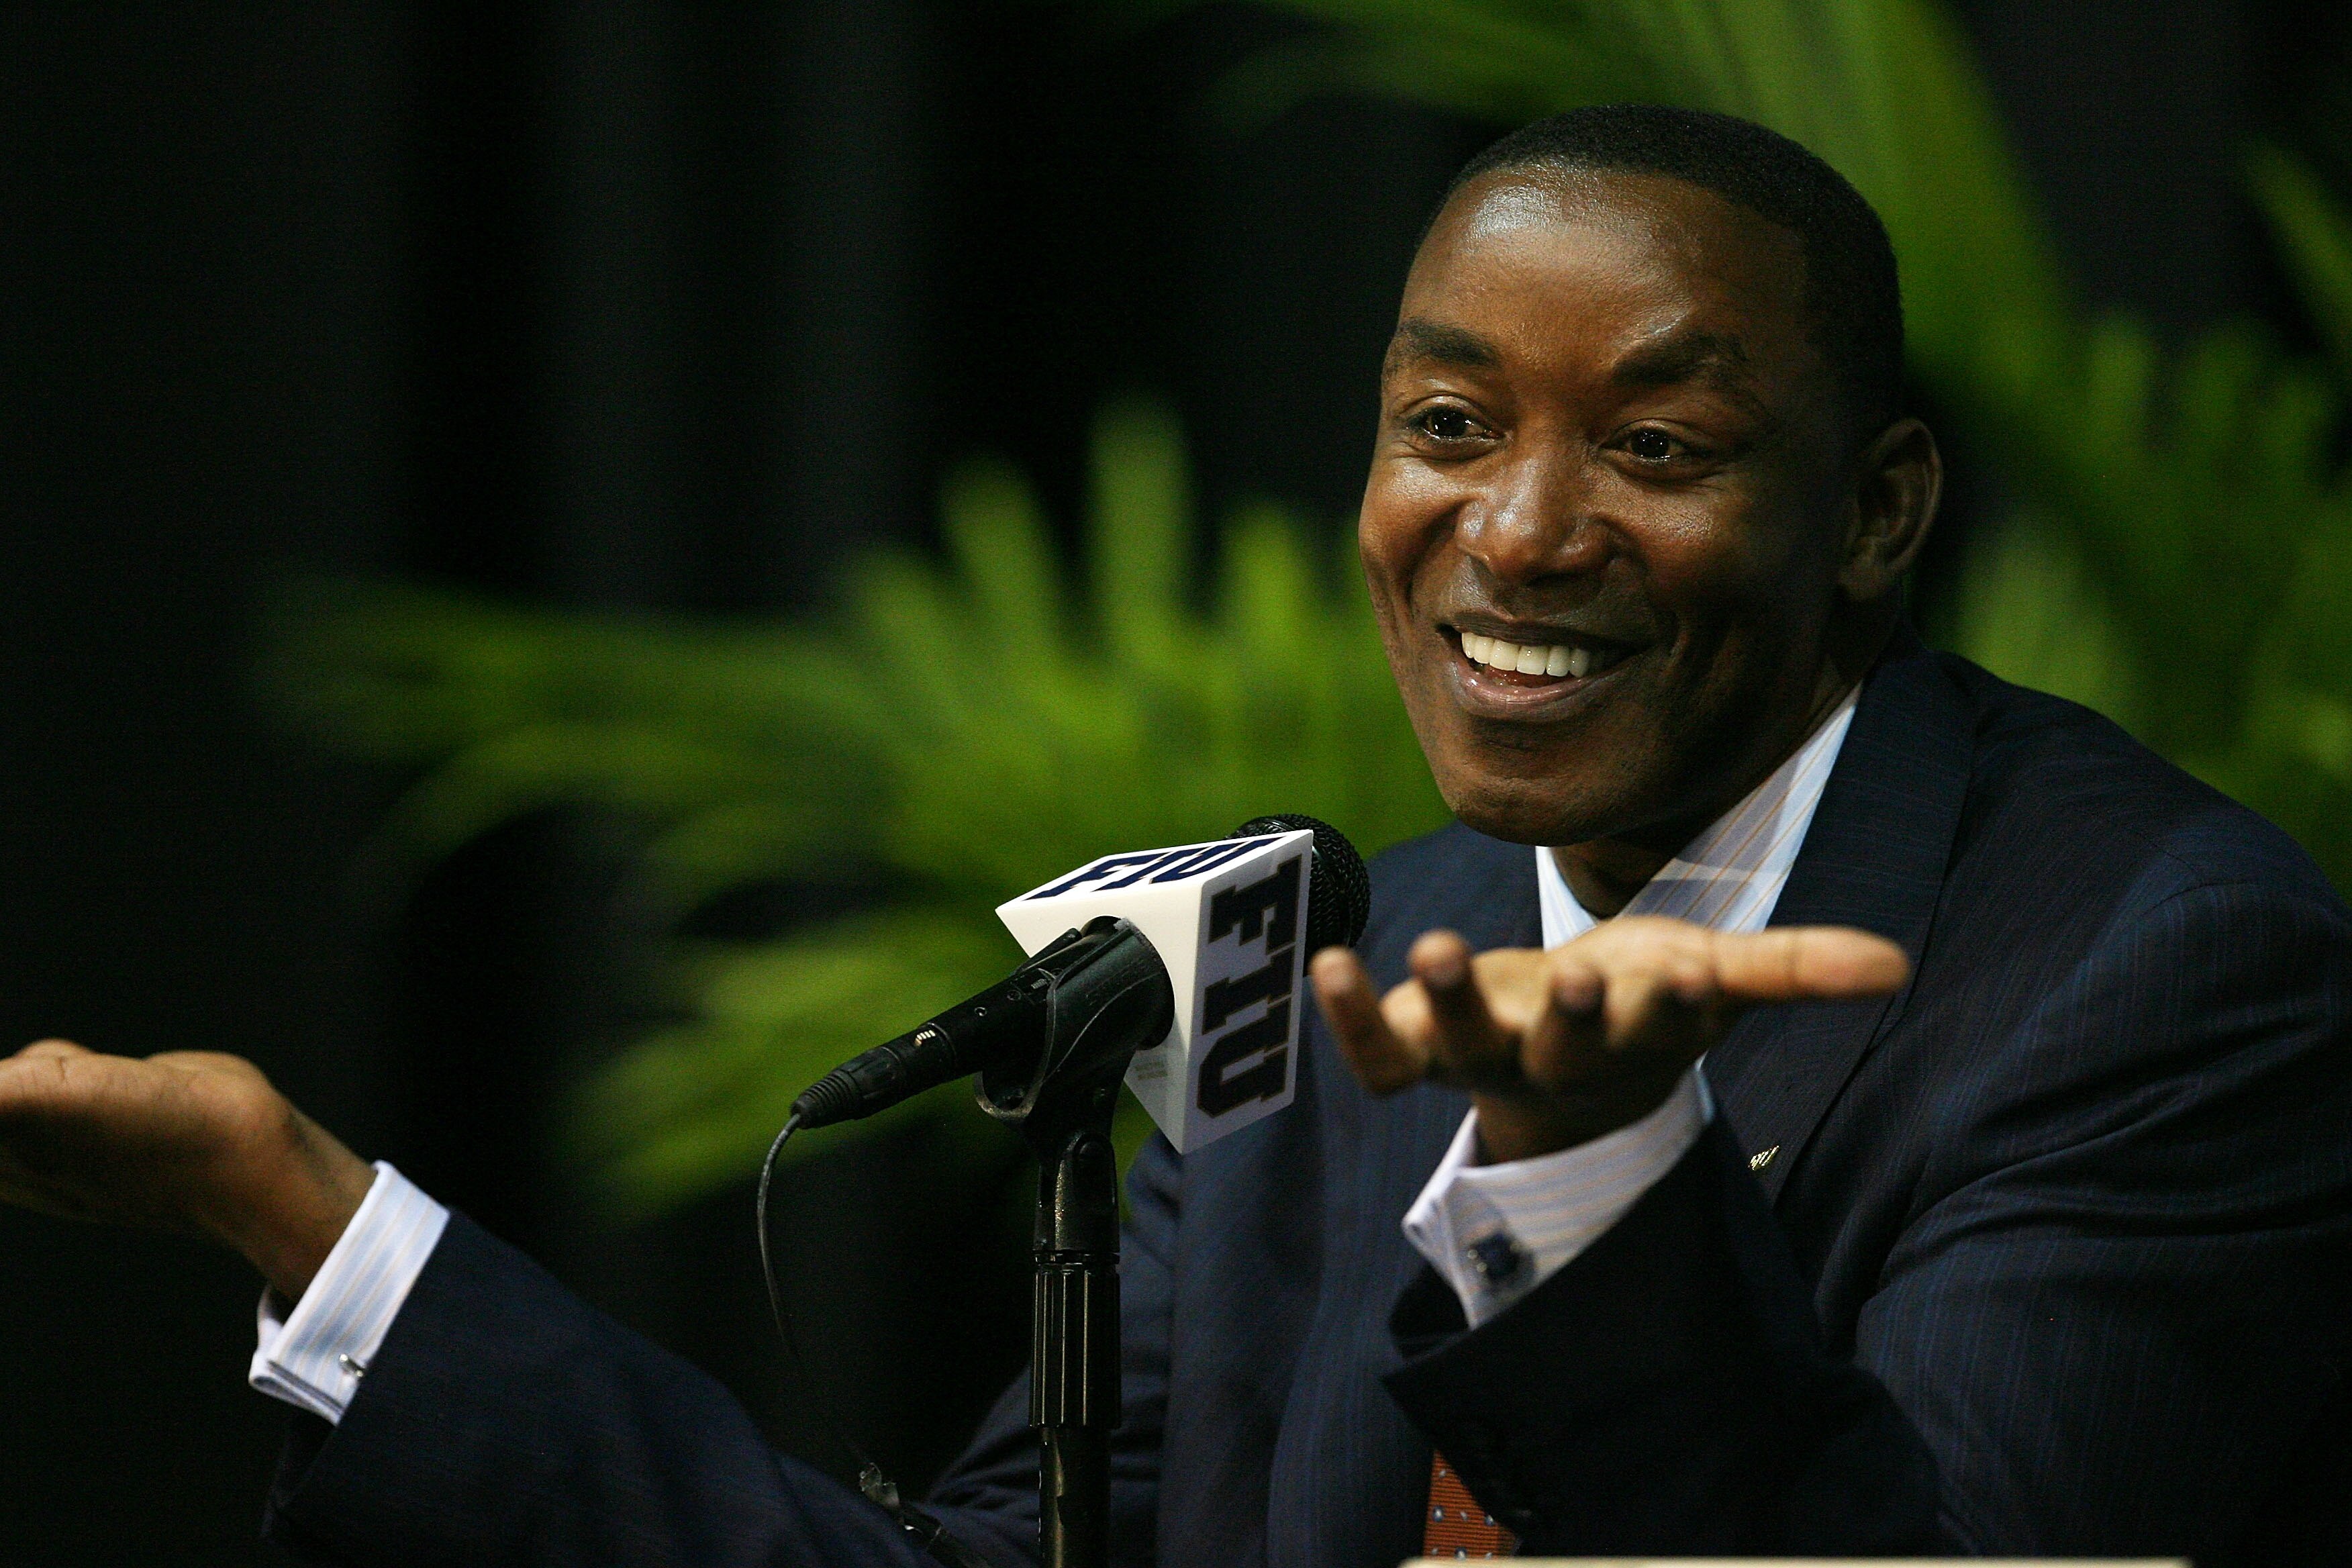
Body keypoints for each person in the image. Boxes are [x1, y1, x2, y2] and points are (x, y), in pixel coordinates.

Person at [2, 106, 2347, 1567]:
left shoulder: (2164, 967)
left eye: (1658, 446)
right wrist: (301, 1210)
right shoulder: (1331, 977)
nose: (1516, 532)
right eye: (1449, 419)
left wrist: (1593, 1178)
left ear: (1879, 511)